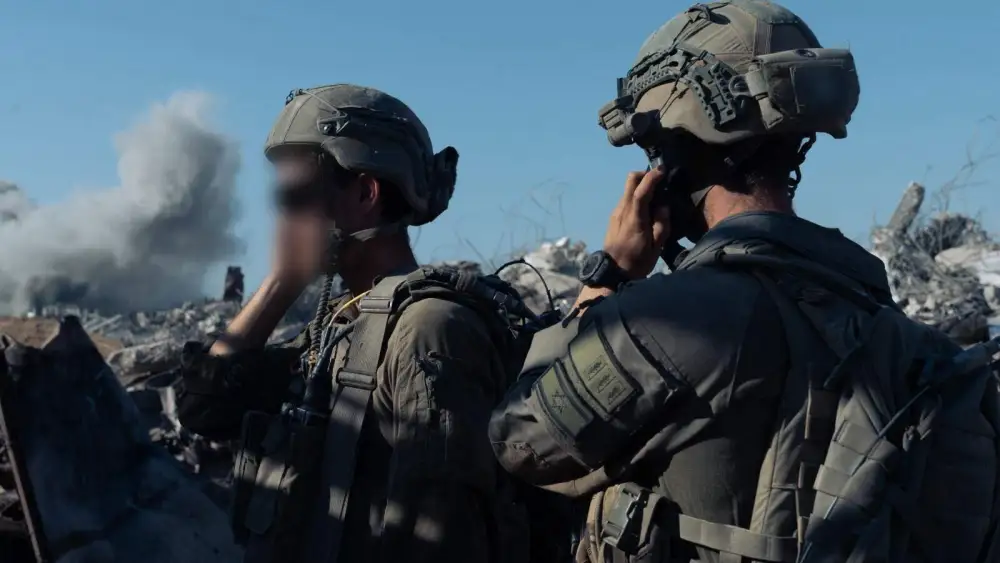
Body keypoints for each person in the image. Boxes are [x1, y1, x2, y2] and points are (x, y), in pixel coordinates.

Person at [489, 2, 1000, 563]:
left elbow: (520, 441)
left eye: (655, 150)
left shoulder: (669, 318)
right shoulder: (886, 321)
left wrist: (607, 276)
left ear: (676, 153)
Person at [176, 84, 515, 563]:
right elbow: (204, 410)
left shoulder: (428, 331)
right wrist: (281, 283)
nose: (282, 217)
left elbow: (440, 538)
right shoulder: (340, 323)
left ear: (364, 193)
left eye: (294, 196)